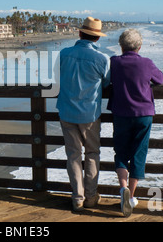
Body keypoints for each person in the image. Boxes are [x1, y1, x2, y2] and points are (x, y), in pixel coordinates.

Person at [107, 29, 163, 217]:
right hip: (143, 114)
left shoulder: (114, 62)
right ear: (139, 47)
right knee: (139, 152)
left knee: (121, 151)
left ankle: (122, 188)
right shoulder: (146, 63)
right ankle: (130, 196)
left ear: (121, 46)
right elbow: (160, 80)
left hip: (121, 114)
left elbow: (106, 82)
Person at [56, 17, 111, 211]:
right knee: (92, 153)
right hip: (89, 114)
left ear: (80, 33)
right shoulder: (102, 59)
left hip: (66, 111)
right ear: (97, 38)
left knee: (73, 155)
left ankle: (77, 198)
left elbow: (58, 76)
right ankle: (90, 196)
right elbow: (106, 84)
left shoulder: (64, 54)